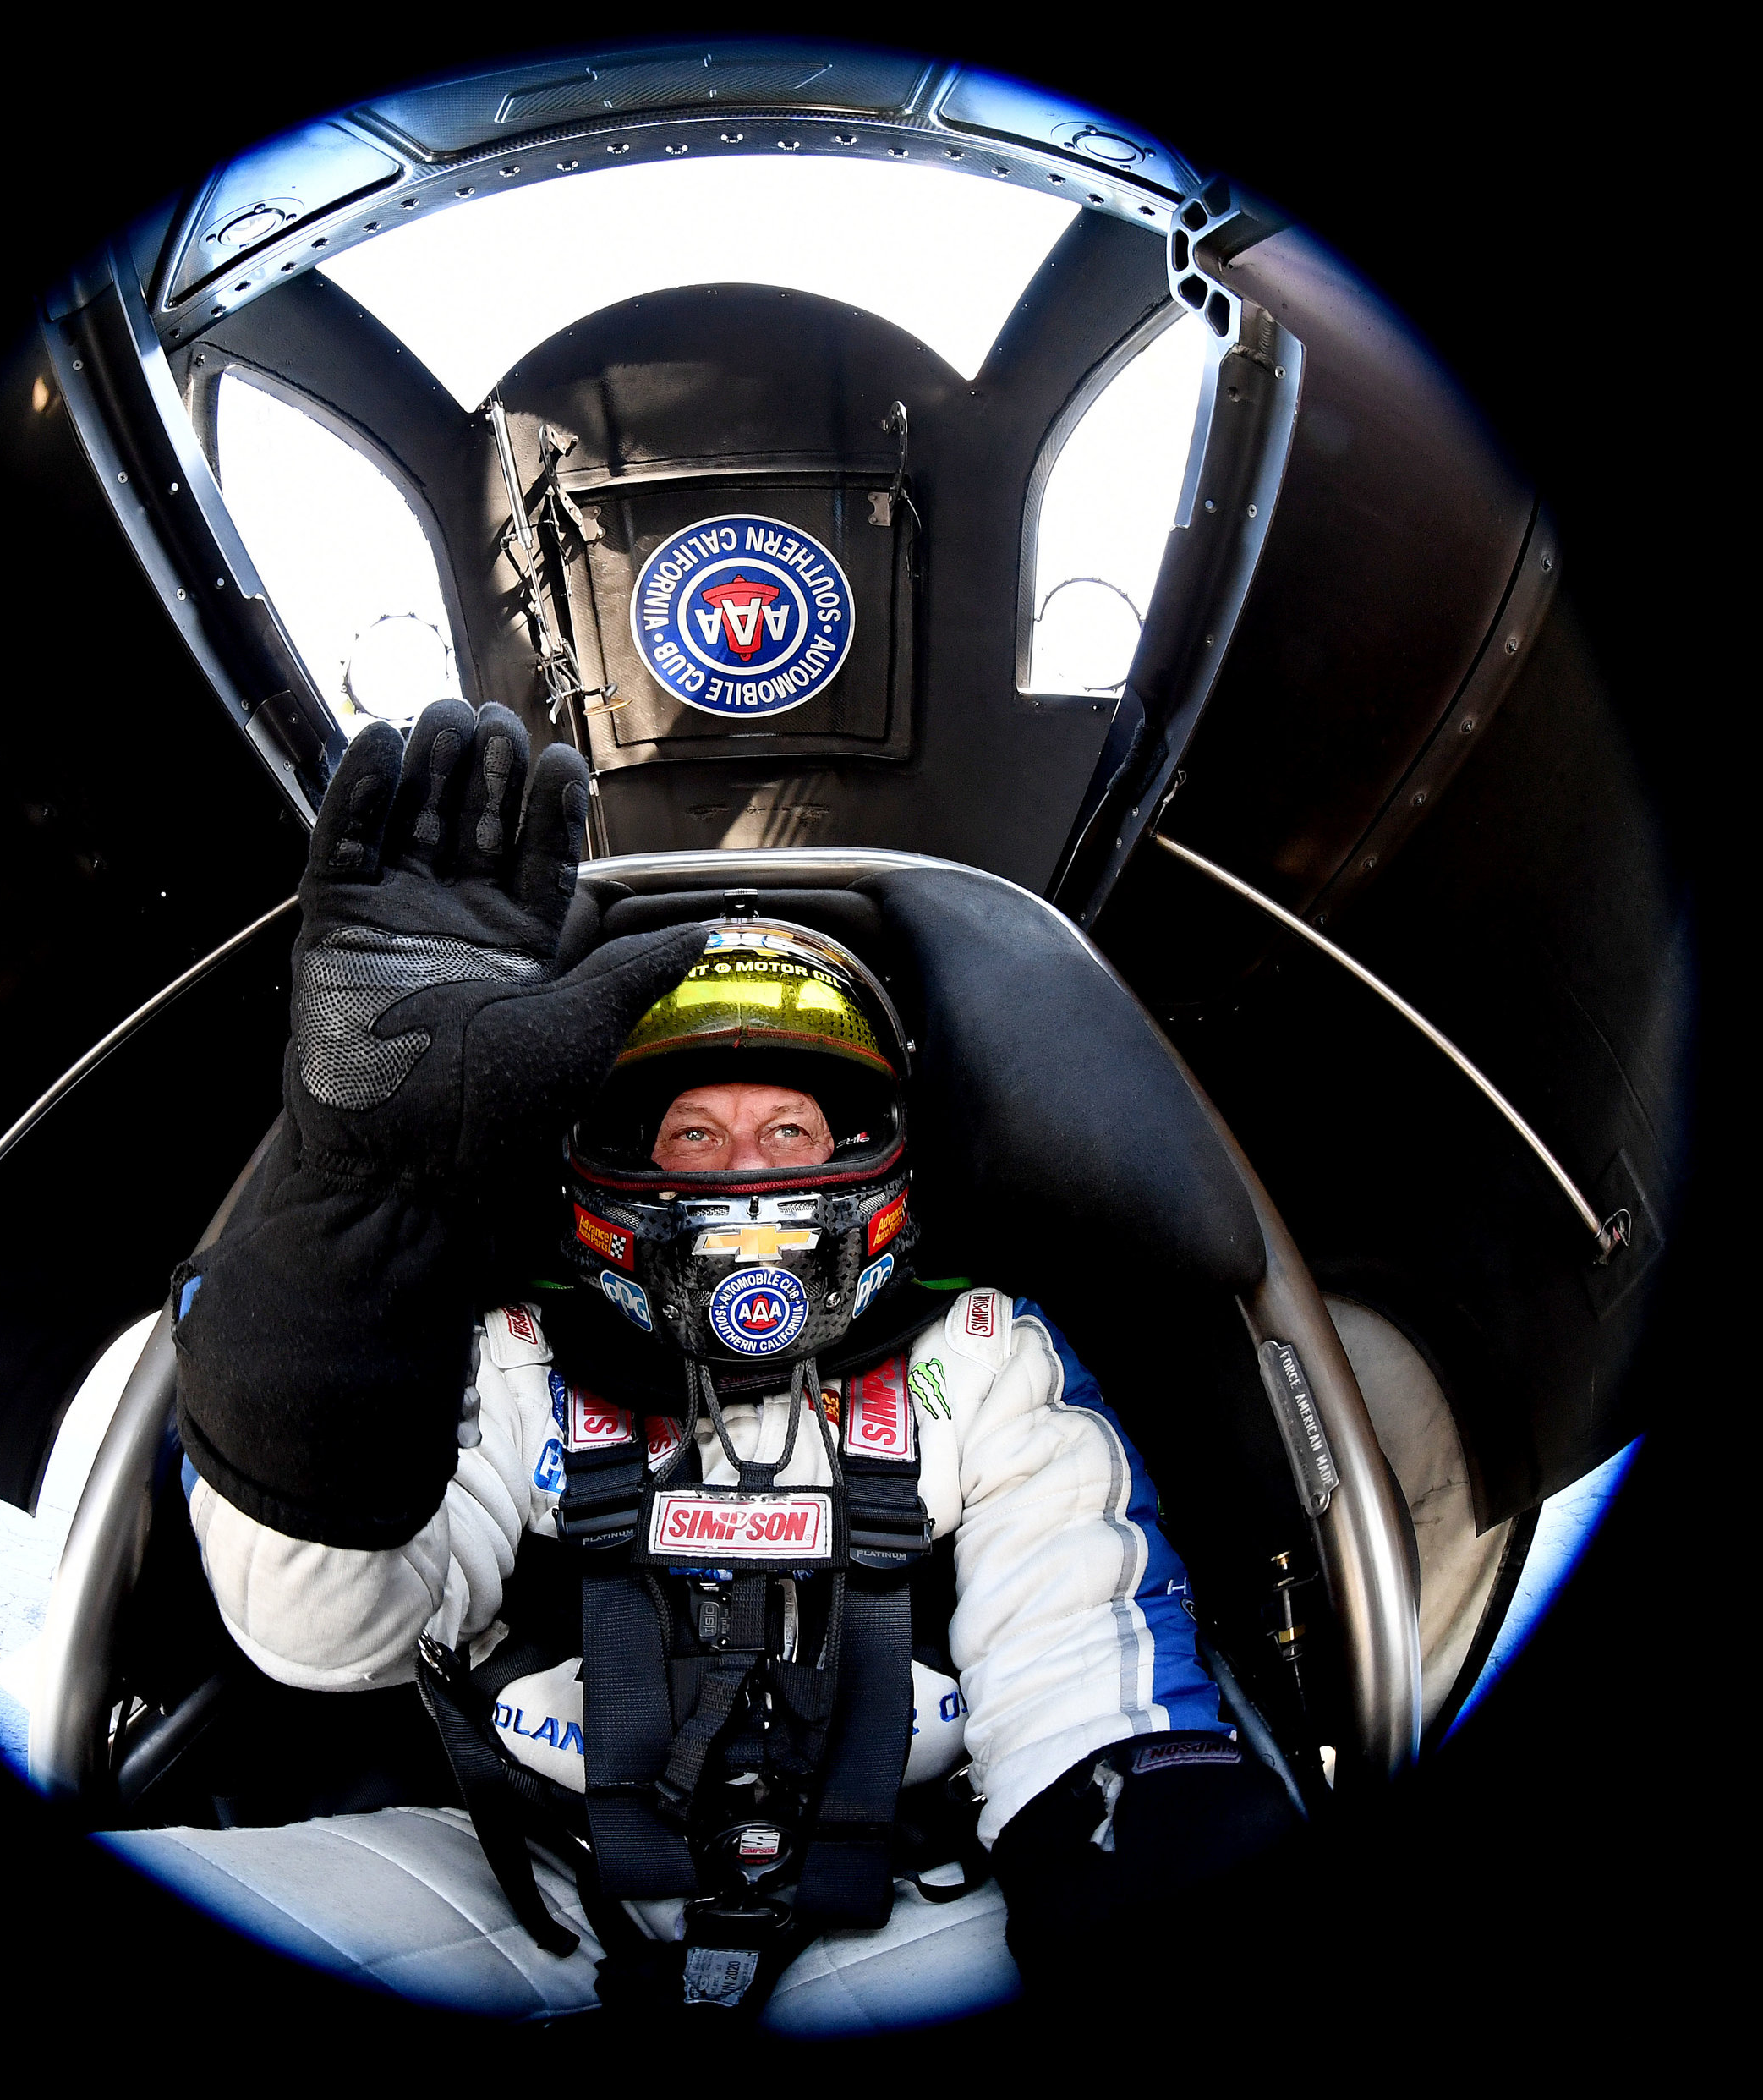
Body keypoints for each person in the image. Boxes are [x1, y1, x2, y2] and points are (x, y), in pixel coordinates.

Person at [145, 699, 1298, 2026]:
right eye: (692, 1135)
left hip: (908, 1898)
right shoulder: (511, 1347)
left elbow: (1088, 1708)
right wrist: (356, 1220)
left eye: (791, 1127)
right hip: (527, 1876)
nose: (746, 1172)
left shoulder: (980, 1354)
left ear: (875, 1150)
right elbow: (322, 1636)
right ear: (608, 1156)